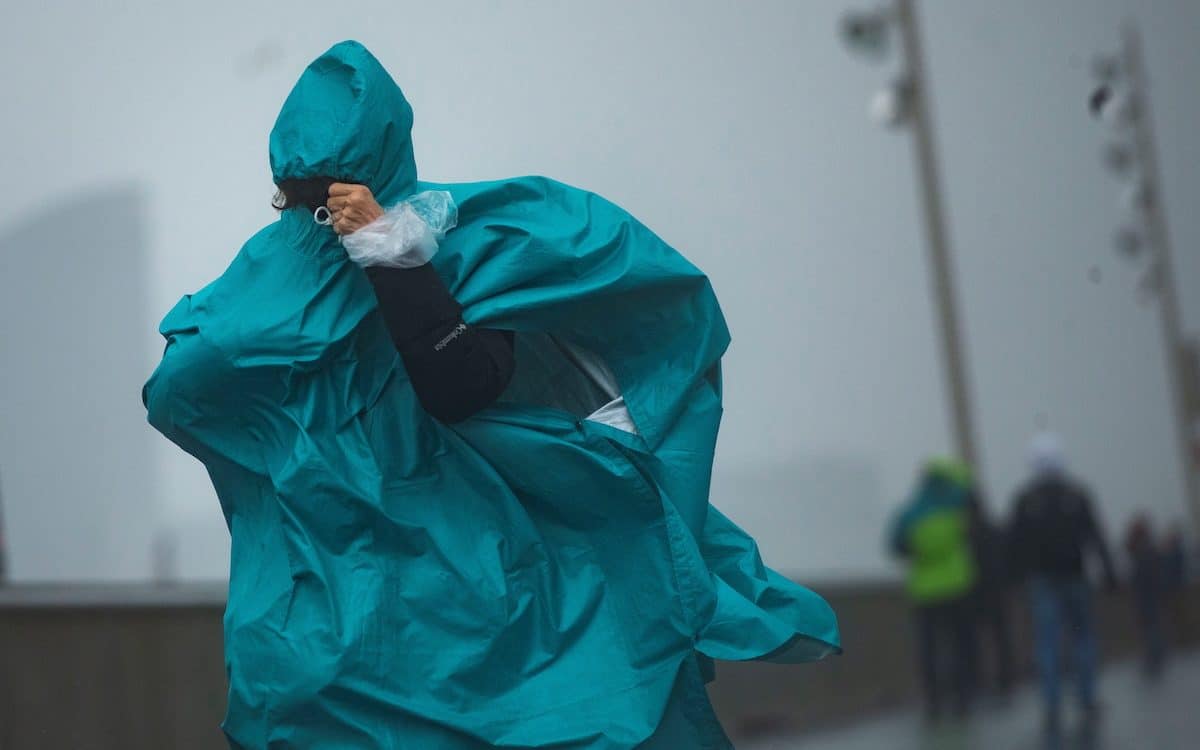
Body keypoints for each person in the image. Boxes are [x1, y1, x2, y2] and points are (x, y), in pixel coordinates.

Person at [143, 41, 839, 749]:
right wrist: (389, 267)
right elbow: (460, 385)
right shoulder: (415, 257)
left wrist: (389, 266)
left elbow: (180, 396)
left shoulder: (302, 285)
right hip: (434, 619)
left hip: (322, 636)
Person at [1008, 433, 1117, 734]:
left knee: (1047, 642)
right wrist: (1109, 571)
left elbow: (1013, 544)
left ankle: (1052, 703)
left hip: (1042, 581)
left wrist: (1014, 579)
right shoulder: (1078, 494)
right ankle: (1086, 697)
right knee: (1083, 637)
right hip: (1076, 575)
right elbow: (1096, 534)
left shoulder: (1025, 500)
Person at [889, 457, 979, 722]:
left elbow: (896, 546)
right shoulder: (957, 507)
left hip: (925, 589)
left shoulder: (910, 513)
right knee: (960, 643)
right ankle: (962, 697)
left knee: (930, 648)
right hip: (958, 584)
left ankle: (934, 700)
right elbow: (968, 484)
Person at [966, 491, 1014, 700]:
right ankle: (1005, 677)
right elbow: (1009, 557)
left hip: (971, 591)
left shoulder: (964, 534)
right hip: (996, 589)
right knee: (1000, 636)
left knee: (974, 638)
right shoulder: (995, 530)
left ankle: (977, 680)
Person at [1124, 513, 1166, 678]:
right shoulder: (1147, 547)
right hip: (1148, 594)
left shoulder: (1143, 549)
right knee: (1152, 626)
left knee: (1150, 628)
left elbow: (1144, 574)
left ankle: (1153, 658)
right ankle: (1154, 657)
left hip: (1145, 595)